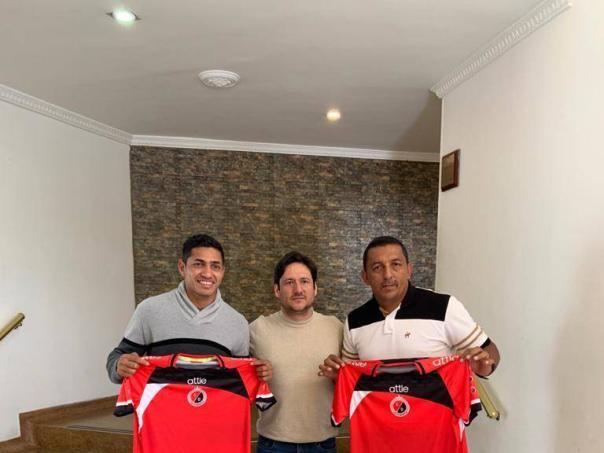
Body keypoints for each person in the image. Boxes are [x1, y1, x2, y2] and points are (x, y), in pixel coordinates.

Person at [320, 235, 500, 379]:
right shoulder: (354, 321)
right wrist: (337, 375)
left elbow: (489, 349)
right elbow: (351, 377)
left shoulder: (444, 306)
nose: (387, 275)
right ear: (365, 277)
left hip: (436, 415)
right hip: (378, 416)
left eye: (396, 264)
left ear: (409, 270)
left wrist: (484, 366)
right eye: (377, 267)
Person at [106, 233, 271, 383]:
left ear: (222, 271)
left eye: (215, 266)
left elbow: (241, 378)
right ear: (182, 267)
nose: (207, 273)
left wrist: (259, 372)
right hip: (161, 407)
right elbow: (117, 357)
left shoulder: (237, 323)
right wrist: (119, 365)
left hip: (215, 408)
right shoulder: (149, 310)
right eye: (198, 264)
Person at [250, 251, 343, 453]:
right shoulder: (256, 329)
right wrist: (255, 376)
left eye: (304, 281)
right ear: (277, 289)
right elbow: (238, 383)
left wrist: (339, 377)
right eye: (289, 282)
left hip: (323, 443)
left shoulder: (336, 328)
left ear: (315, 288)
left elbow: (352, 385)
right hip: (273, 444)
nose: (298, 289)